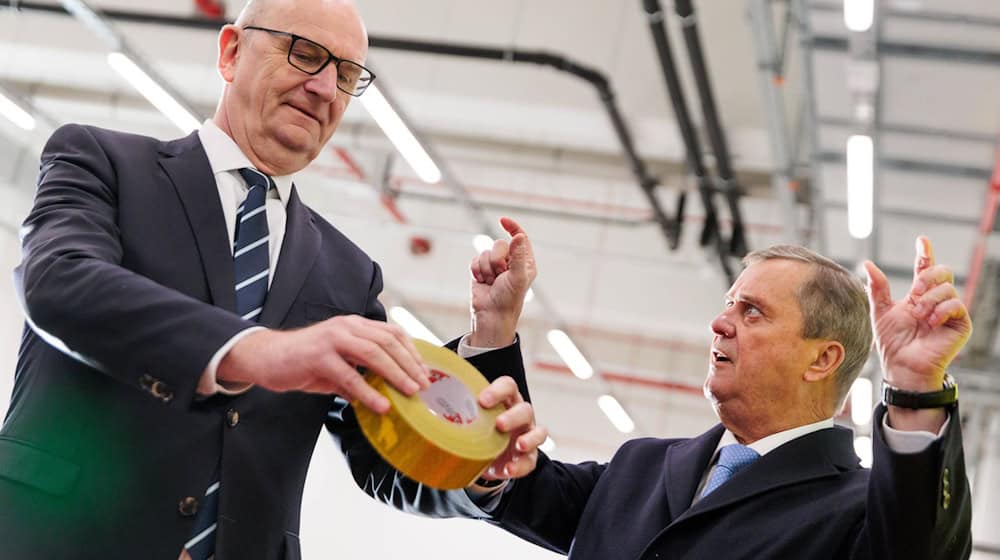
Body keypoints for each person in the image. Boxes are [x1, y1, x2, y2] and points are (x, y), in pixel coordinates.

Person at [0, 0, 542, 558]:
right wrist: (256, 352)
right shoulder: (103, 163)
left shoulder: (349, 276)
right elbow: (59, 282)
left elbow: (384, 455)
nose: (326, 88)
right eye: (306, 55)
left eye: (347, 74)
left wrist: (476, 458)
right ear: (231, 52)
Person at [468, 237, 972, 559]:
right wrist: (493, 330)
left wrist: (914, 388)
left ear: (821, 360)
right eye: (729, 303)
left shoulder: (857, 511)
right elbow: (513, 482)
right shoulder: (639, 466)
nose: (719, 322)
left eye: (752, 312)